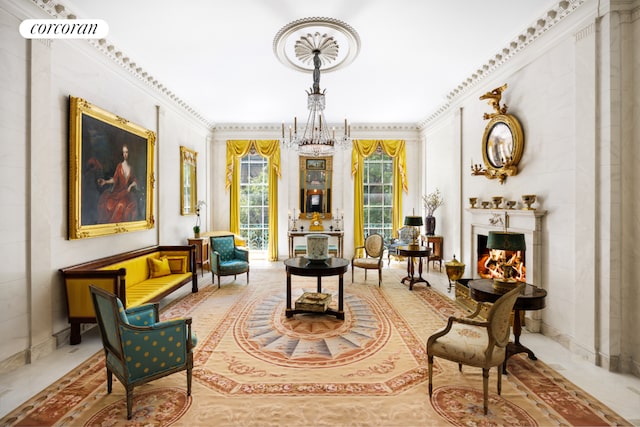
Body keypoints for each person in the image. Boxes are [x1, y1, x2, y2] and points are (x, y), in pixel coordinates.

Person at [96, 144, 139, 223]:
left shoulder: (131, 168)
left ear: (129, 153)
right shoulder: (119, 166)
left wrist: (130, 186)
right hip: (118, 192)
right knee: (110, 205)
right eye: (124, 152)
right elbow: (115, 179)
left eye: (127, 152)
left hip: (127, 193)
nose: (125, 154)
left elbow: (135, 180)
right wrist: (105, 181)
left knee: (122, 206)